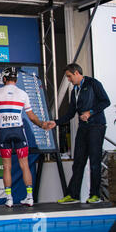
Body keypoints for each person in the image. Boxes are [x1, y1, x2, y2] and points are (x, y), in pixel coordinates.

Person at [46, 63, 110, 204]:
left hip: (96, 126)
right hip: (83, 128)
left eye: (69, 76)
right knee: (78, 162)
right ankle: (73, 195)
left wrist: (90, 112)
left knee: (94, 162)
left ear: (76, 73)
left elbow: (106, 101)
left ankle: (95, 195)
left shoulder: (93, 83)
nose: (68, 79)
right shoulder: (75, 90)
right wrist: (55, 122)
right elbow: (70, 113)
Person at [0, 67, 47, 208]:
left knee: (6, 167)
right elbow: (31, 116)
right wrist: (42, 125)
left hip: (4, 132)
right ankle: (30, 197)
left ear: (4, 79)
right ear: (16, 79)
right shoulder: (23, 94)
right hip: (19, 131)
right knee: (24, 165)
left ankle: (9, 199)